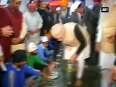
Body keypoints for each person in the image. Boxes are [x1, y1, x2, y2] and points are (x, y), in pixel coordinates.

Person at [51, 22, 90, 86]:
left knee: (80, 60)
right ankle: (70, 76)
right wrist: (53, 61)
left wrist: (76, 54)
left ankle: (79, 78)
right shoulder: (58, 33)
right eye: (57, 38)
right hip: (70, 43)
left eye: (60, 37)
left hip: (81, 42)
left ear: (64, 32)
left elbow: (83, 42)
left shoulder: (74, 28)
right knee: (69, 60)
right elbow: (57, 47)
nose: (59, 40)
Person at [95, 0, 116, 87]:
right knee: (105, 70)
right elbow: (101, 23)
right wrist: (98, 39)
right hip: (105, 43)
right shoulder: (105, 5)